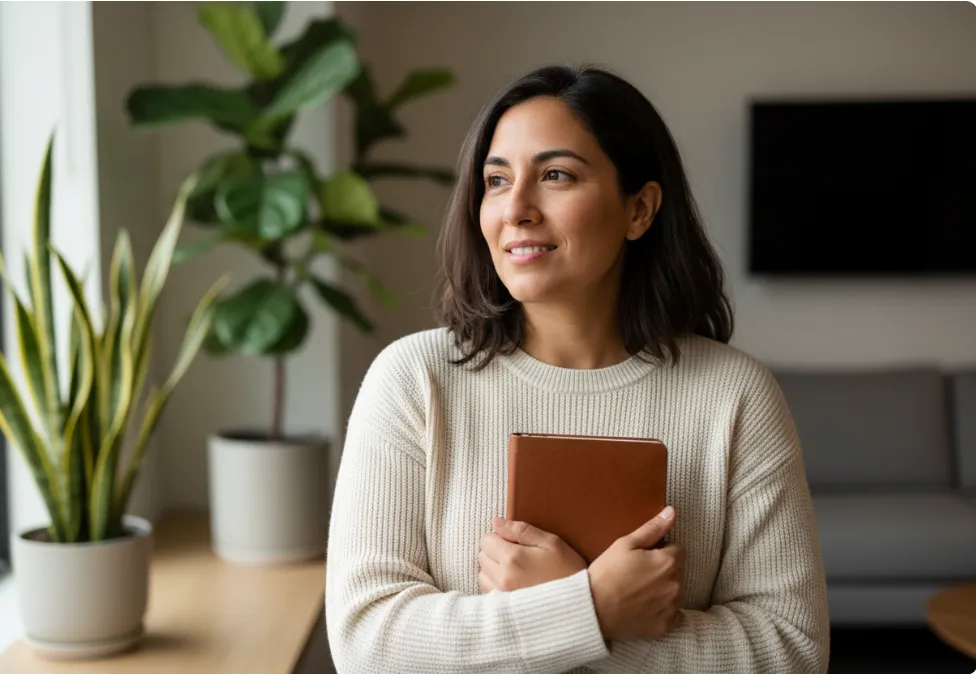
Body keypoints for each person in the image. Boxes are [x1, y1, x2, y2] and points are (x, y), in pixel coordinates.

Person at [324, 64, 830, 673]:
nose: (517, 209)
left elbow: (792, 651)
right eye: (496, 180)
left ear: (639, 210)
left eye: (556, 175)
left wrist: (570, 612)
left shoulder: (734, 394)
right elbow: (367, 642)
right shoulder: (412, 381)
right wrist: (591, 607)